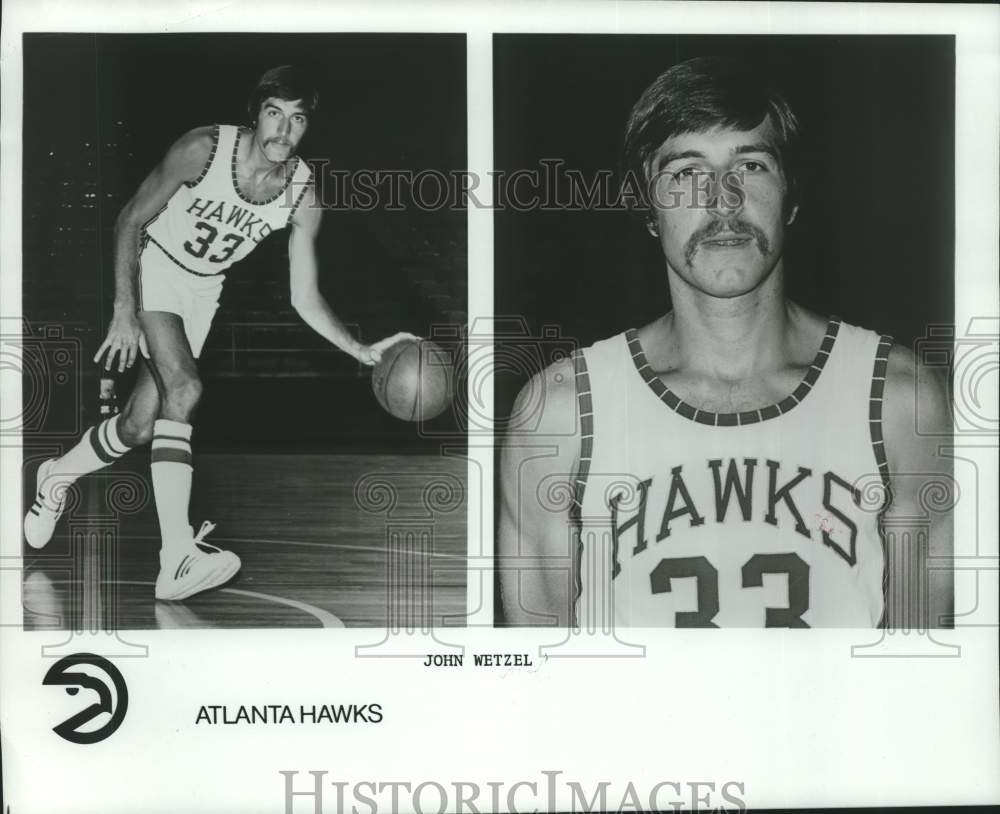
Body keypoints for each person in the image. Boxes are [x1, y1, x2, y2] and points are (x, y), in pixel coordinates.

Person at [499, 56, 953, 628]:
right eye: (687, 173)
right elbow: (541, 685)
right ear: (646, 204)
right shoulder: (559, 414)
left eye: (753, 165)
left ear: (791, 192)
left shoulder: (899, 401)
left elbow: (923, 672)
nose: (723, 200)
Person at [25, 65, 414, 601]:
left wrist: (358, 348)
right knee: (184, 389)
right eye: (274, 114)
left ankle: (55, 477)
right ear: (255, 113)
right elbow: (129, 220)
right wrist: (123, 307)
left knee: (140, 425)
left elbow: (303, 296)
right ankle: (177, 557)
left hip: (203, 290)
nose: (283, 129)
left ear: (307, 126)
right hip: (152, 264)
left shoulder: (301, 196)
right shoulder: (202, 150)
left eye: (297, 119)